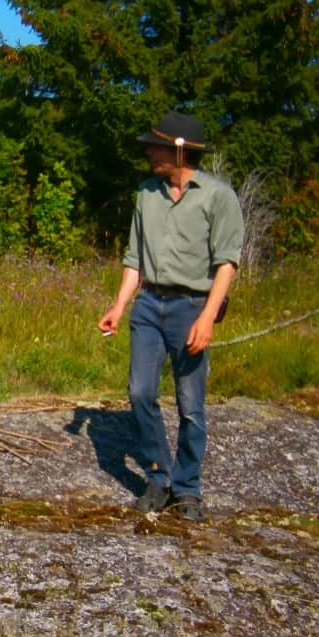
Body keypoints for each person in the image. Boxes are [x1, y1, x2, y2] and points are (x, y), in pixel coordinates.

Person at [97, 111, 244, 522]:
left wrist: (208, 318)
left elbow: (226, 265)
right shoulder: (146, 193)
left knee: (190, 404)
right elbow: (134, 258)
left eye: (155, 145)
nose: (148, 151)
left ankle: (188, 489)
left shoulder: (218, 196)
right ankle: (159, 478)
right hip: (148, 305)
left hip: (192, 307)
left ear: (179, 150)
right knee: (140, 392)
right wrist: (119, 305)